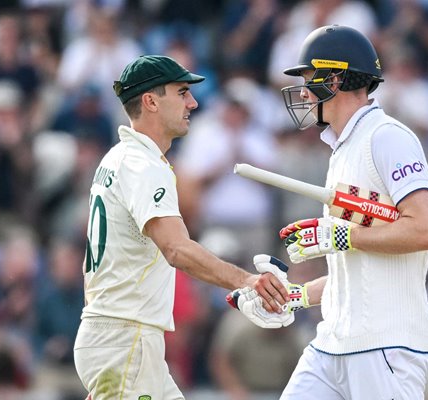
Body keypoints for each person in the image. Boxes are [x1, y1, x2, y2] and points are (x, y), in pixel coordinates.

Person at [233, 25, 428, 399]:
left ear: (335, 78)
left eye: (309, 78)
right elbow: (355, 276)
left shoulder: (387, 136)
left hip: (386, 345)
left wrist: (343, 236)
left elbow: (426, 230)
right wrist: (293, 296)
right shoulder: (342, 149)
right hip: (333, 343)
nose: (301, 91)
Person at [72, 55, 290, 400]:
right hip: (125, 340)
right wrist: (247, 280)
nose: (193, 102)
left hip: (120, 339)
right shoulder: (144, 165)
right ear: (150, 101)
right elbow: (176, 249)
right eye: (183, 92)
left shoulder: (118, 157)